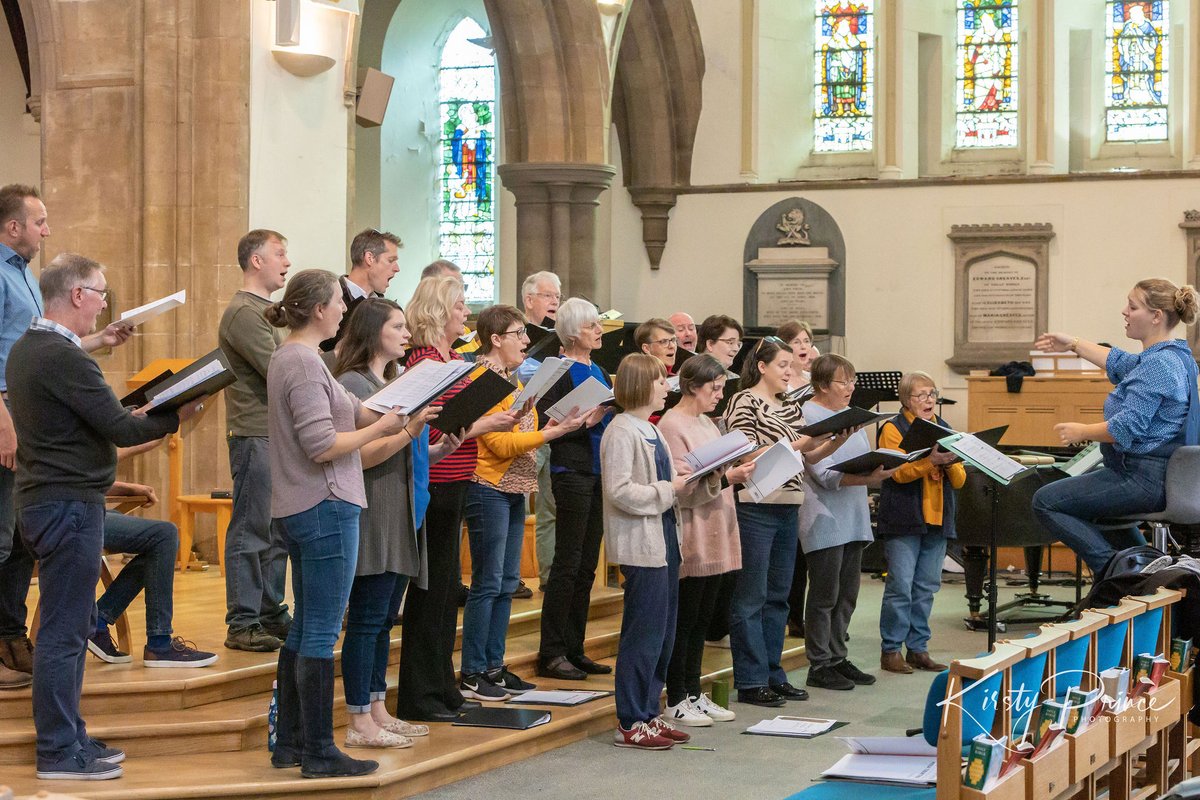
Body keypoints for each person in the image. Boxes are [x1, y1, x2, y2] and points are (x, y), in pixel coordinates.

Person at [8, 253, 189, 780]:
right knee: (65, 635)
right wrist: (181, 407)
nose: (106, 301)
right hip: (66, 506)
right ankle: (59, 752)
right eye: (101, 291)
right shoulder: (63, 357)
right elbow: (120, 428)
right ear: (77, 295)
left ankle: (71, 735)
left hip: (50, 500)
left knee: (67, 630)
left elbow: (80, 428)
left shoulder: (27, 348)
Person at [265, 269, 408, 779]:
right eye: (339, 304)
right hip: (323, 503)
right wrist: (392, 426)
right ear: (319, 309)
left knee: (306, 626)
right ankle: (320, 750)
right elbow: (322, 444)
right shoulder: (302, 363)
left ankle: (292, 744)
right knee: (322, 631)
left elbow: (356, 410)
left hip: (310, 504)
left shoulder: (305, 360)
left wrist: (403, 408)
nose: (346, 311)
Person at [394, 276, 519, 722]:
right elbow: (420, 429)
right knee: (431, 593)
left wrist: (484, 422)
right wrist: (488, 424)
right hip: (436, 481)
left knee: (447, 593)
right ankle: (421, 694)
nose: (466, 312)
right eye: (459, 305)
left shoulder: (450, 358)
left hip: (457, 475)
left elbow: (453, 425)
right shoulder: (424, 361)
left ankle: (444, 686)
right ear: (437, 312)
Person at [333, 298, 450, 749]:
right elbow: (358, 456)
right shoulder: (353, 383)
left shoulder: (391, 380)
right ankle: (359, 718)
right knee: (365, 618)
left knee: (383, 618)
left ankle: (378, 708)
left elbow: (403, 449)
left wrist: (436, 447)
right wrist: (409, 431)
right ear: (371, 331)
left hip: (400, 507)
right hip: (372, 509)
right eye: (397, 326)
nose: (407, 334)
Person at [1032, 279, 1200, 573]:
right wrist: (1071, 343)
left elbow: (1125, 428)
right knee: (1092, 512)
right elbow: (1119, 361)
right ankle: (1141, 565)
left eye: (1133, 307)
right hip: (1158, 476)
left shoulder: (1158, 365)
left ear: (1156, 316)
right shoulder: (1175, 357)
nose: (1124, 311)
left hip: (1142, 478)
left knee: (1045, 501)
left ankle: (1119, 571)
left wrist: (1081, 431)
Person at [461, 305, 586, 700]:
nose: (526, 341)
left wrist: (548, 426)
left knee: (505, 583)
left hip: (514, 486)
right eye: (518, 334)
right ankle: (472, 671)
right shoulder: (483, 377)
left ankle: (494, 666)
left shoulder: (511, 380)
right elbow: (496, 443)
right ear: (495, 339)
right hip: (488, 485)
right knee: (487, 583)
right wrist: (551, 436)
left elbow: (519, 429)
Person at [722, 336, 851, 707]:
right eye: (782, 365)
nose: (790, 373)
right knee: (751, 596)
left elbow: (809, 456)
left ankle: (772, 674)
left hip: (789, 503)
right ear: (761, 366)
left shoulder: (789, 406)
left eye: (792, 367)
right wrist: (803, 441)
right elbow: (746, 451)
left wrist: (837, 440)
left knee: (779, 596)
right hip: (756, 502)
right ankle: (750, 679)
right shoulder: (743, 400)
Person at [603, 354, 693, 750]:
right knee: (643, 634)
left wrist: (685, 481)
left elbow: (665, 481)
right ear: (640, 385)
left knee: (663, 635)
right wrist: (669, 490)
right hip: (642, 545)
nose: (666, 387)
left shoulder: (650, 429)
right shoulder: (621, 431)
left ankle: (650, 713)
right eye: (660, 381)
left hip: (665, 538)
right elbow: (619, 491)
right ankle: (630, 719)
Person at [658, 354, 753, 726]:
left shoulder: (708, 424)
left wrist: (735, 471)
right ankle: (676, 695)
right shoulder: (672, 424)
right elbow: (681, 489)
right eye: (714, 388)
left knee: (703, 619)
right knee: (687, 617)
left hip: (718, 525)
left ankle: (694, 692)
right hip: (694, 528)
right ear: (693, 386)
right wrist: (728, 477)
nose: (720, 394)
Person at [217, 229, 294, 653]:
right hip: (253, 432)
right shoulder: (244, 313)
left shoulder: (268, 311)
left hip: (275, 433)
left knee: (277, 530)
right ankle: (242, 620)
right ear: (256, 261)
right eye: (279, 253)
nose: (287, 260)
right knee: (251, 528)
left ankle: (269, 610)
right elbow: (279, 369)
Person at [535, 297, 614, 681]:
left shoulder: (597, 367)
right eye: (590, 326)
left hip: (598, 470)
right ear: (570, 333)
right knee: (567, 564)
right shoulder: (559, 370)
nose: (598, 331)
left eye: (598, 325)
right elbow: (549, 421)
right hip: (572, 469)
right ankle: (551, 653)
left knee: (586, 566)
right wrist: (589, 418)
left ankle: (574, 647)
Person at [799, 354, 888, 691]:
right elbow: (821, 474)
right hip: (824, 514)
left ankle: (838, 656)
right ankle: (819, 663)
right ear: (823, 385)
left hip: (853, 513)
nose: (850, 387)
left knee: (848, 593)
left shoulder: (851, 417)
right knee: (825, 593)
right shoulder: (810, 415)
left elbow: (858, 463)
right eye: (842, 381)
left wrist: (878, 472)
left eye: (853, 380)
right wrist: (871, 478)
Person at [88, 441, 218, 669]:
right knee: (164, 535)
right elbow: (68, 476)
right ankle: (158, 643)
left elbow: (84, 474)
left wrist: (126, 488)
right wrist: (154, 431)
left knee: (162, 538)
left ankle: (98, 621)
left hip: (88, 504)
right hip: (71, 512)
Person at [876, 371, 965, 674]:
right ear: (906, 400)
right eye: (921, 395)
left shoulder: (945, 428)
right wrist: (932, 462)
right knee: (900, 585)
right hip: (904, 518)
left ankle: (918, 649)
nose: (929, 400)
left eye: (932, 394)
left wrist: (950, 462)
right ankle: (890, 651)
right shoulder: (892, 428)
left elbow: (962, 479)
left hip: (938, 520)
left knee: (926, 587)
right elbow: (897, 473)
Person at [0, 183, 50, 689]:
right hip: (5, 415)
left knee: (19, 540)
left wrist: (97, 339)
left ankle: (11, 637)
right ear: (13, 226)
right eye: (39, 221)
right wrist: (3, 421)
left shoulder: (24, 276)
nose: (46, 230)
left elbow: (31, 343)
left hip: (25, 414)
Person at [518, 270, 563, 597]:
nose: (554, 302)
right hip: (522, 428)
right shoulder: (514, 331)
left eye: (557, 297)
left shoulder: (559, 336)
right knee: (517, 502)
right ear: (529, 299)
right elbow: (512, 372)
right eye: (548, 295)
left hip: (553, 426)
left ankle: (549, 574)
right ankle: (512, 575)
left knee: (551, 506)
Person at [776, 319, 816, 637]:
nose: (803, 347)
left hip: (816, 465)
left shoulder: (816, 380)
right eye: (797, 341)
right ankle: (792, 614)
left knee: (809, 547)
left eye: (807, 341)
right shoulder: (784, 382)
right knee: (793, 548)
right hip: (792, 464)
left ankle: (806, 615)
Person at [320, 228, 402, 352]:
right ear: (370, 258)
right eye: (391, 260)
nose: (397, 268)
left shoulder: (381, 304)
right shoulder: (329, 297)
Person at [777, 319, 816, 388]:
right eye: (796, 342)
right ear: (784, 347)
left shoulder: (814, 379)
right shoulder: (777, 380)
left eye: (806, 341)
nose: (803, 347)